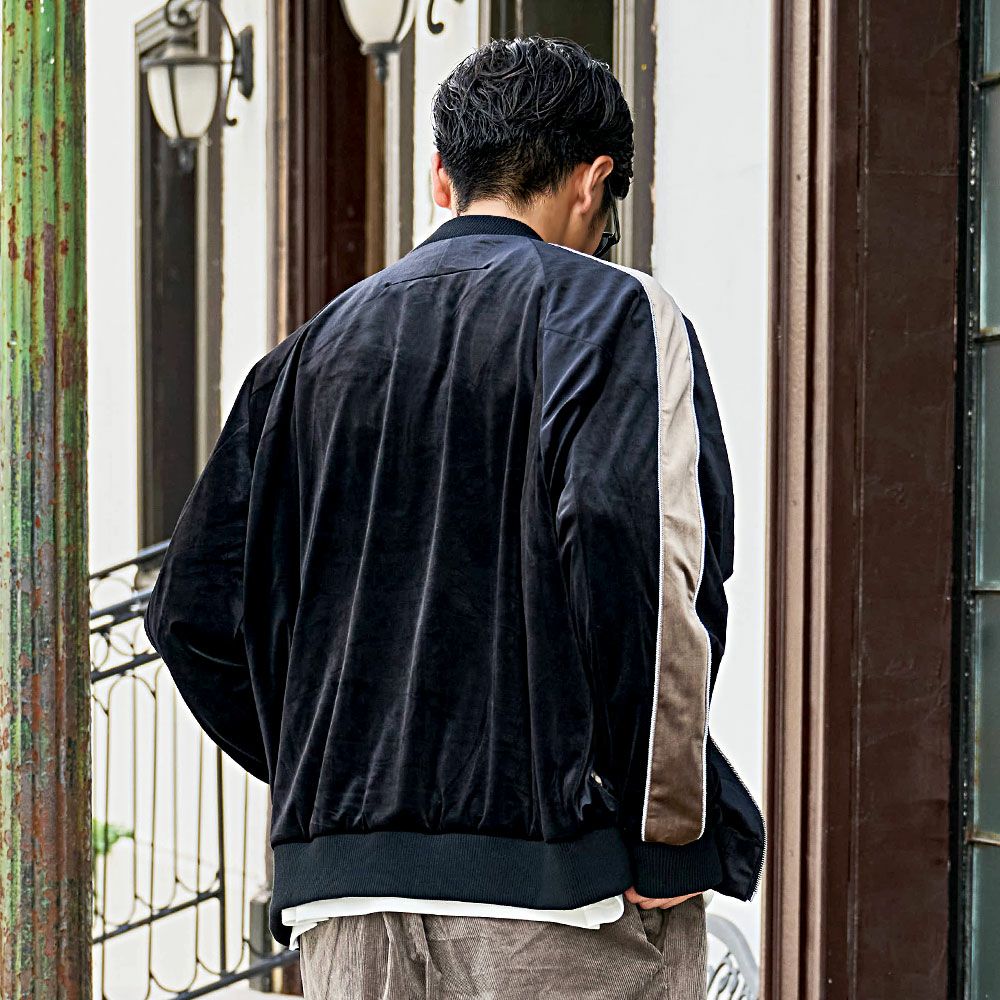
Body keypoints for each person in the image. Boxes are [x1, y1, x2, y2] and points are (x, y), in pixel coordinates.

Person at [143, 35, 765, 1000]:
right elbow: (644, 573)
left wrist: (338, 778)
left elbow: (191, 612)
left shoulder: (303, 358)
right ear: (594, 183)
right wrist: (665, 838)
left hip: (346, 905)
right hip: (560, 893)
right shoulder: (614, 317)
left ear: (442, 176)